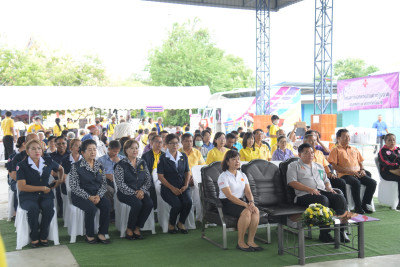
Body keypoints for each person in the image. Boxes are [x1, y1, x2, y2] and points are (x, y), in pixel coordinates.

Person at [287, 143, 349, 243]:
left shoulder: (319, 166)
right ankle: (324, 233)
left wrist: (329, 188)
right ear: (299, 154)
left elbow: (326, 180)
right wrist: (309, 189)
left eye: (312, 152)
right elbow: (292, 182)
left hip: (321, 192)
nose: (310, 155)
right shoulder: (293, 166)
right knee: (323, 200)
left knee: (339, 198)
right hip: (304, 195)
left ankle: (341, 231)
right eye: (306, 152)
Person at [16, 139, 64, 248]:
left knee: (48, 208)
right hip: (27, 196)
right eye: (33, 149)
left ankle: (43, 234)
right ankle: (34, 235)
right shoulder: (21, 165)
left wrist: (60, 180)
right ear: (27, 151)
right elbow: (21, 186)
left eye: (39, 148)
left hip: (45, 194)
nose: (37, 151)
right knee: (33, 209)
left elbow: (61, 169)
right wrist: (42, 188)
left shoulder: (48, 160)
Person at [218, 150, 263, 252]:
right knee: (247, 212)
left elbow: (248, 191)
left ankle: (251, 241)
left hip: (242, 202)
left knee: (255, 210)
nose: (237, 161)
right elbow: (229, 196)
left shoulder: (242, 175)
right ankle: (241, 242)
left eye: (238, 159)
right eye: (233, 159)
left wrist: (251, 202)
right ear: (227, 162)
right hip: (227, 203)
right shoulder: (223, 176)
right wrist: (246, 205)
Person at [69, 139, 111, 244]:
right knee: (91, 208)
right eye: (89, 150)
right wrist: (89, 197)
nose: (93, 152)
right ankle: (89, 234)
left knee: (107, 204)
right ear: (82, 152)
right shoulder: (76, 166)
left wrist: (98, 196)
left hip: (96, 195)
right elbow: (74, 186)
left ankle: (102, 233)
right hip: (80, 196)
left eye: (94, 149)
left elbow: (104, 184)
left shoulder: (99, 165)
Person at [328, 129, 377, 214]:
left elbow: (360, 162)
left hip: (357, 173)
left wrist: (362, 170)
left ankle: (365, 204)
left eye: (348, 136)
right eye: (344, 137)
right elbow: (334, 166)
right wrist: (350, 171)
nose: (347, 138)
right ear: (338, 138)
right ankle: (358, 207)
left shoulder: (354, 149)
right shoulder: (335, 150)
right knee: (356, 183)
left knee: (372, 183)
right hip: (344, 175)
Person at [114, 139, 153, 240]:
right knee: (137, 204)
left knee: (149, 203)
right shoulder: (120, 165)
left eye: (136, 148)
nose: (135, 150)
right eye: (132, 148)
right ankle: (129, 228)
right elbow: (120, 184)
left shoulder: (142, 162)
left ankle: (137, 227)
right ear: (126, 150)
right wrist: (134, 192)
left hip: (141, 191)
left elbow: (148, 180)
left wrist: (142, 191)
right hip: (125, 193)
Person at [157, 134, 192, 234]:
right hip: (168, 188)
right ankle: (171, 224)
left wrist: (185, 185)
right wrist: (172, 188)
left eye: (176, 143)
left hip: (183, 186)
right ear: (166, 145)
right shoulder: (163, 158)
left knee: (188, 202)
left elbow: (187, 172)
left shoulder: (183, 156)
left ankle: (181, 222)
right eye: (172, 143)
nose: (175, 145)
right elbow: (160, 176)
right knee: (177, 205)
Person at [98, 140, 124, 220]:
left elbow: (127, 172)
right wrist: (105, 175)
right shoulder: (101, 160)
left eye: (118, 151)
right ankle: (111, 212)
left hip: (120, 182)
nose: (116, 153)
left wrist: (119, 163)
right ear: (109, 149)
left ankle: (122, 213)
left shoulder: (122, 159)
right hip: (107, 182)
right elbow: (97, 174)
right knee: (108, 191)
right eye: (114, 151)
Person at [378, 133, 400, 209]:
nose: (392, 142)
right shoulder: (382, 151)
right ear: (385, 141)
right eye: (389, 140)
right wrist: (397, 166)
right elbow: (385, 162)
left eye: (394, 140)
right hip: (386, 172)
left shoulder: (398, 150)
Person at [142, 134, 164, 210]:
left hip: (163, 178)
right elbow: (145, 172)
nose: (159, 144)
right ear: (152, 143)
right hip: (151, 179)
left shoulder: (165, 155)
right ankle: (155, 210)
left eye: (161, 142)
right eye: (157, 142)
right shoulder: (146, 156)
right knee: (153, 188)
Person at [6, 136, 26, 216]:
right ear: (24, 143)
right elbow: (10, 172)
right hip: (15, 179)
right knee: (17, 188)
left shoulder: (31, 155)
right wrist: (20, 180)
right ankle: (16, 211)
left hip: (28, 179)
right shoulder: (12, 156)